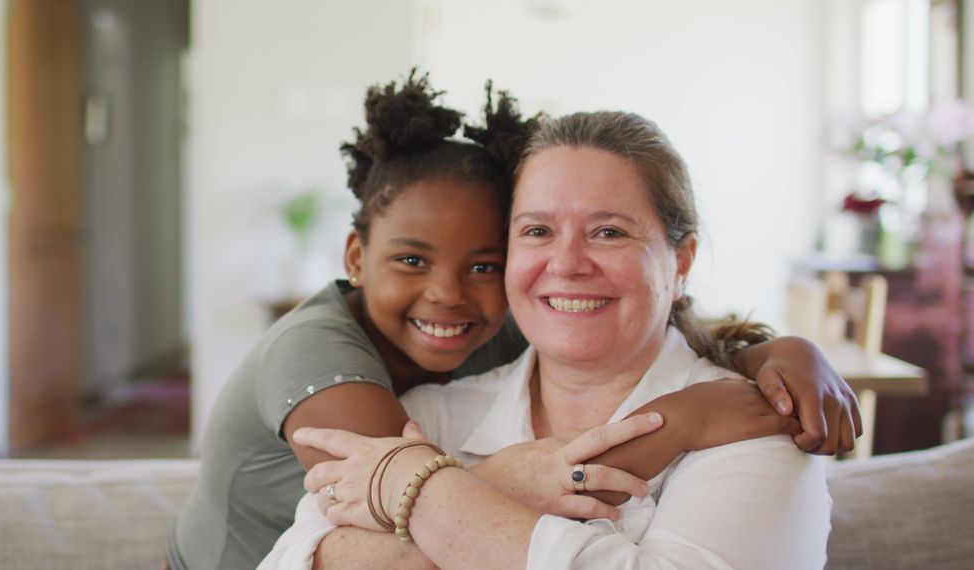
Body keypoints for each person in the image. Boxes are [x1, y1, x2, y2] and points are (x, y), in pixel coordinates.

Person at [168, 74, 857, 569]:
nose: (566, 265)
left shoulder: (755, 427)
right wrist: (668, 430)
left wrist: (776, 354)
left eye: (610, 232)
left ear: (681, 260)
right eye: (536, 231)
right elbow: (300, 553)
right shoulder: (407, 400)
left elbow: (359, 523)